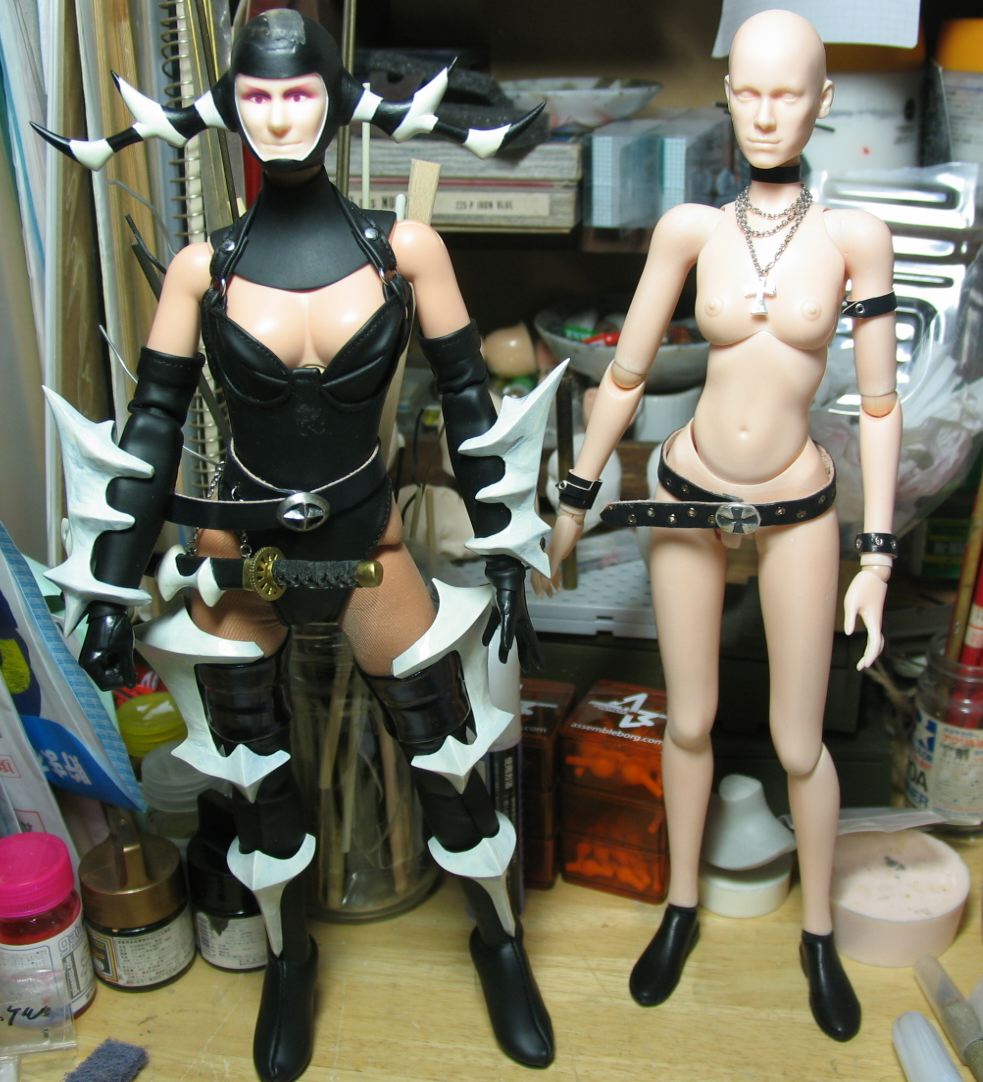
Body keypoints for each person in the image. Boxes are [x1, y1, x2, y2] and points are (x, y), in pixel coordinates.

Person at [36, 11, 554, 1080]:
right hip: (242, 551)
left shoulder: (404, 249)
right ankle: (289, 955)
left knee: (445, 752)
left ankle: (498, 941)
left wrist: (506, 552)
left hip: (365, 541)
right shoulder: (203, 268)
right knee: (254, 776)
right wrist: (110, 591)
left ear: (335, 96)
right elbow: (151, 428)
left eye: (298, 92)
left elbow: (469, 404)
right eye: (258, 96)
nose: (278, 116)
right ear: (231, 107)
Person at [545, 9, 900, 1042]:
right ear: (726, 97)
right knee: (690, 717)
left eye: (786, 93)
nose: (764, 113)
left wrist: (876, 556)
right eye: (746, 91)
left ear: (820, 101)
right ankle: (680, 904)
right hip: (685, 484)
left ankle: (818, 930)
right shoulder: (688, 230)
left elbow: (880, 408)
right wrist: (574, 496)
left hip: (796, 500)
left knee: (797, 738)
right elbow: (624, 372)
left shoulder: (854, 240)